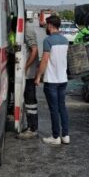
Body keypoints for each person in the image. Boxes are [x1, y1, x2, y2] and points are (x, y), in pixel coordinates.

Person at [35, 15, 70, 146]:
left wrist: (38, 76)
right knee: (62, 108)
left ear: (50, 25)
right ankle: (65, 135)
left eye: (46, 25)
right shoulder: (65, 40)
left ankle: (55, 136)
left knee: (54, 109)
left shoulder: (48, 41)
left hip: (51, 80)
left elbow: (44, 60)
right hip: (63, 79)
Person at [17, 16, 40, 140]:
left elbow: (34, 50)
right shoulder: (24, 29)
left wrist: (25, 67)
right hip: (27, 73)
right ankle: (30, 126)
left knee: (31, 102)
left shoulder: (27, 29)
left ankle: (33, 129)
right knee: (27, 101)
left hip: (29, 74)